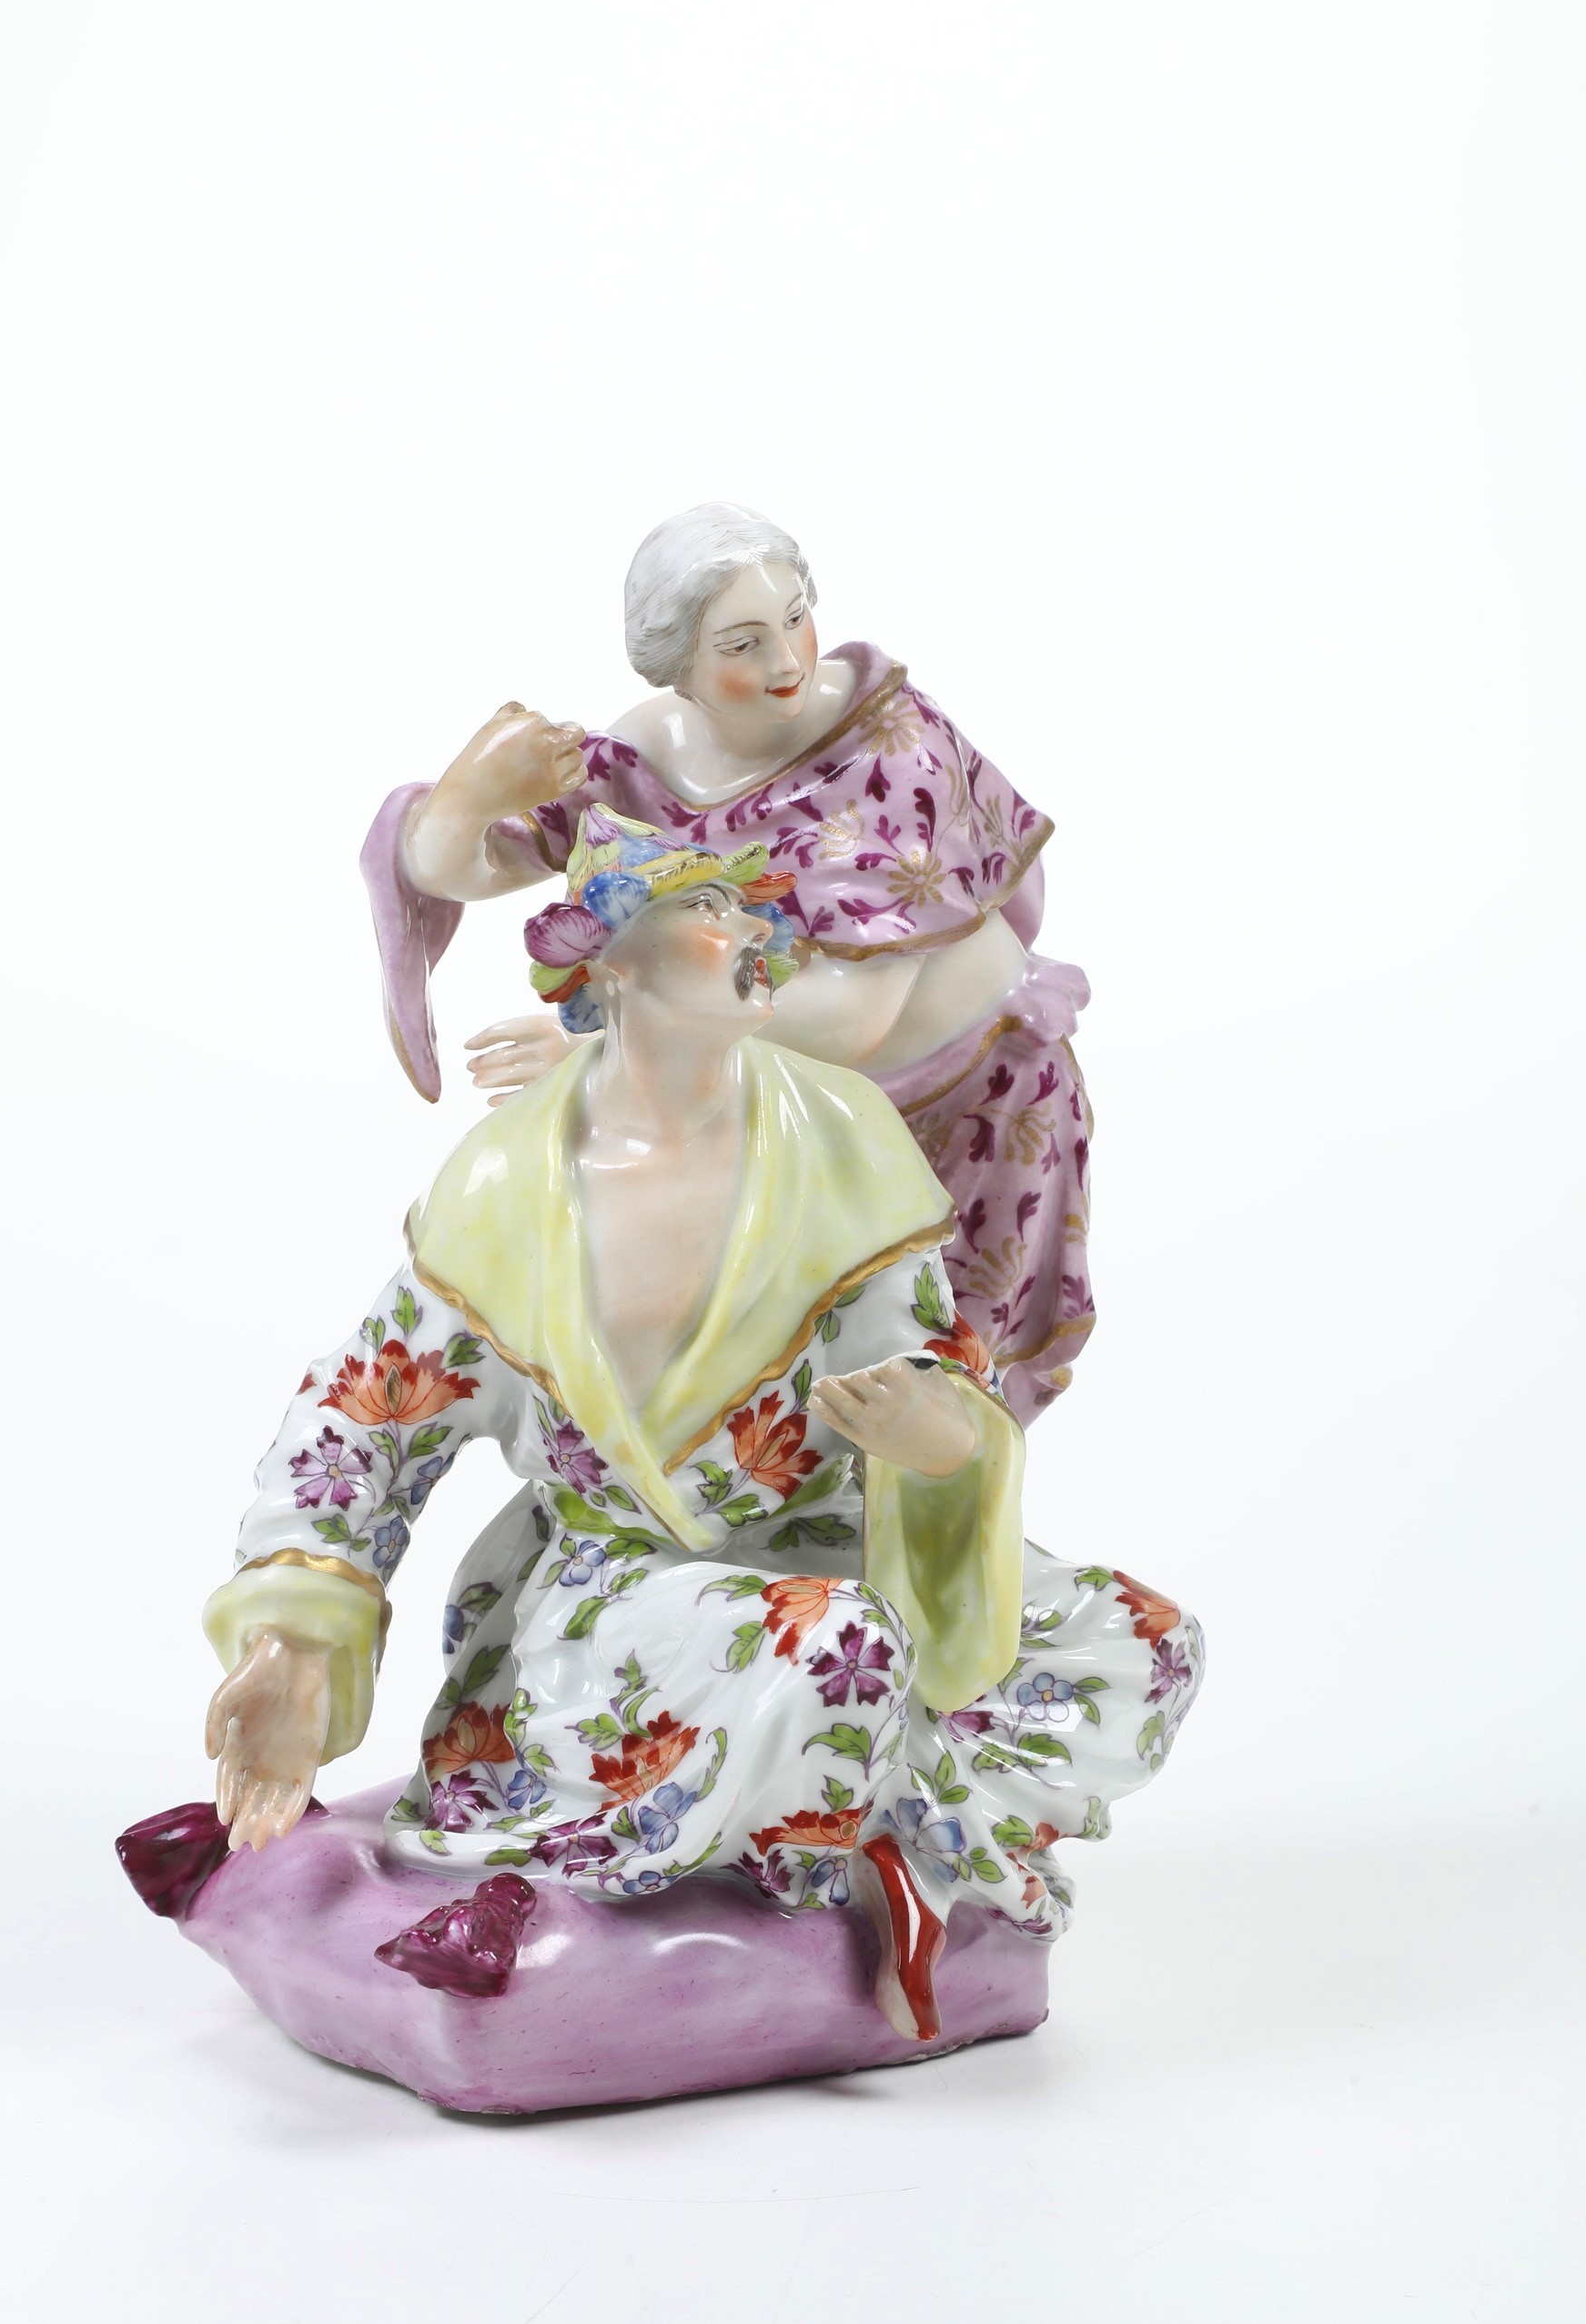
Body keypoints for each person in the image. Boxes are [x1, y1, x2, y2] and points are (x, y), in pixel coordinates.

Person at [208, 811, 1199, 2045]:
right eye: (705, 909)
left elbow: (922, 1354)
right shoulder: (507, 1188)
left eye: (750, 906)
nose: (755, 931)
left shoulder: (838, 1134)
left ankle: (915, 1842)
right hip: (619, 1593)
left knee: (1138, 1642)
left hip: (825, 1543)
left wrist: (945, 1441)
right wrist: (295, 1634)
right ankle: (807, 1854)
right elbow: (368, 1413)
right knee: (835, 1651)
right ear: (610, 962)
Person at [362, 503, 1096, 1424]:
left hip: (969, 1109)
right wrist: (471, 797)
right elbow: (467, 868)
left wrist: (602, 1057)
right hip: (782, 1114)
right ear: (677, 666)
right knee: (772, 1381)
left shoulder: (888, 749)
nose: (787, 661)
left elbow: (850, 1015)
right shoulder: (650, 753)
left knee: (927, 1388)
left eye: (795, 617)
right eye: (743, 644)